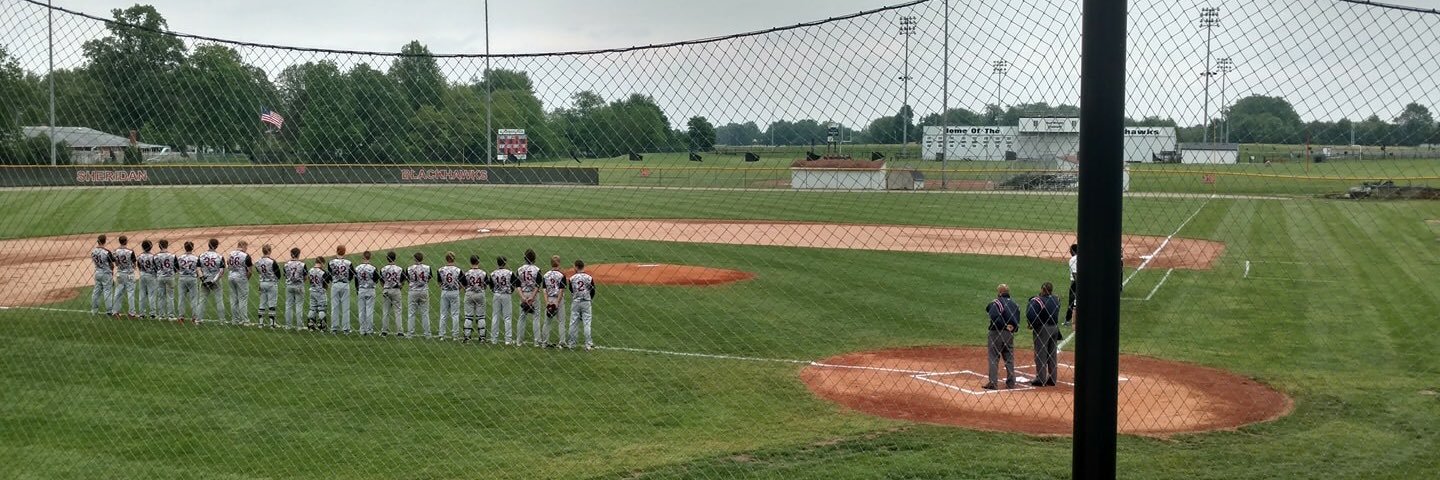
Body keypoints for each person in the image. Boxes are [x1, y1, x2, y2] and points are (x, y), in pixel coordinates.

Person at [983, 284, 1020, 390]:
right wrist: (1012, 329)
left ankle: (993, 383)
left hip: (996, 333)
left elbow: (993, 314)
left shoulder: (996, 302)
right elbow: (1017, 320)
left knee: (994, 357)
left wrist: (1003, 325)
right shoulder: (1015, 304)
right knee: (1009, 358)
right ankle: (1011, 382)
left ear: (999, 292)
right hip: (1009, 335)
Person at [1026, 282, 1063, 387]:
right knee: (1052, 354)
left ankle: (1040, 379)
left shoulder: (1037, 301)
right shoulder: (1056, 299)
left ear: (1042, 289)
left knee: (1040, 354)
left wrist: (1033, 325)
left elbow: (1031, 315)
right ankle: (1052, 379)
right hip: (1055, 328)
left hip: (1043, 329)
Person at [567, 259, 597, 351]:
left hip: (576, 302)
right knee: (587, 323)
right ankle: (588, 344)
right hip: (586, 302)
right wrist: (589, 298)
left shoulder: (572, 278)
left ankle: (571, 344)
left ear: (576, 267)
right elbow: (593, 290)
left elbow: (571, 290)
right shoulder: (589, 277)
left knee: (573, 322)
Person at [489, 256, 519, 345]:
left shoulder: (493, 273)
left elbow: (491, 286)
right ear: (505, 263)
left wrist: (495, 291)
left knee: (495, 316)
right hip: (506, 295)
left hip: (496, 295)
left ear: (497, 263)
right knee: (507, 317)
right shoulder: (509, 273)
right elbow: (514, 284)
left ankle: (494, 339)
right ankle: (508, 339)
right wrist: (510, 291)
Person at [516, 249, 543, 347]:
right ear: (534, 258)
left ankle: (519, 341)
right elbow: (537, 285)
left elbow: (517, 285)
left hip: (523, 293)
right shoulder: (537, 269)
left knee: (522, 317)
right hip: (533, 294)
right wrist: (532, 297)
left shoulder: (520, 269)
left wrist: (523, 297)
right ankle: (537, 341)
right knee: (536, 317)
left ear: (525, 258)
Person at [541, 255, 568, 348]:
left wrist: (547, 302)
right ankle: (562, 342)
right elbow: (561, 290)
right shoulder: (562, 275)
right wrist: (557, 302)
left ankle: (545, 342)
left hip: (549, 299)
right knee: (561, 321)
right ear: (559, 263)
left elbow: (544, 290)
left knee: (547, 321)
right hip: (558, 299)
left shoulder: (546, 275)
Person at [225, 240, 254, 325]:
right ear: (243, 246)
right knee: (243, 299)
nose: (246, 249)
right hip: (241, 277)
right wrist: (246, 279)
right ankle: (245, 321)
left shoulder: (231, 253)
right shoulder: (246, 255)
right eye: (246, 247)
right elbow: (250, 270)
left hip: (231, 276)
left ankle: (235, 320)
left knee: (233, 299)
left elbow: (228, 263)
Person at [436, 252, 464, 341]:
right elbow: (463, 283)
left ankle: (441, 335)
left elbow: (439, 283)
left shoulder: (441, 270)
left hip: (444, 292)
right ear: (454, 259)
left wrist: (444, 287)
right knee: (455, 314)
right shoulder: (458, 270)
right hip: (455, 292)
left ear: (446, 259)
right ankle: (455, 336)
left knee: (443, 314)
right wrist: (458, 289)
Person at [328, 245, 355, 334]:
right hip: (345, 285)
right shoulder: (348, 262)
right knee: (345, 308)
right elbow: (352, 275)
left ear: (336, 251)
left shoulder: (331, 262)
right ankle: (346, 329)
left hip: (335, 285)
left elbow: (329, 274)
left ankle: (334, 328)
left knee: (334, 307)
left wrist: (334, 281)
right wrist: (347, 281)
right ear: (344, 252)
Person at [198, 238, 226, 324]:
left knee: (202, 300)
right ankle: (222, 320)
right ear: (216, 246)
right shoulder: (220, 257)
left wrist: (203, 279)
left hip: (204, 279)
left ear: (208, 245)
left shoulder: (201, 255)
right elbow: (221, 271)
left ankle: (198, 320)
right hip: (216, 280)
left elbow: (198, 269)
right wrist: (213, 280)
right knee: (219, 300)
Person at [462, 255, 489, 343]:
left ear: (470, 262)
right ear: (478, 261)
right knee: (481, 316)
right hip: (480, 293)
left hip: (469, 294)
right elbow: (485, 285)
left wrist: (467, 290)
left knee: (468, 316)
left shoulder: (467, 273)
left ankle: (467, 337)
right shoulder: (483, 273)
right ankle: (482, 338)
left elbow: (463, 284)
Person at [406, 252, 433, 338]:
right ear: (422, 259)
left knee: (411, 313)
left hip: (413, 291)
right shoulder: (427, 268)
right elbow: (429, 278)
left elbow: (408, 279)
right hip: (424, 291)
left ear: (414, 259)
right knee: (425, 313)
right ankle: (427, 334)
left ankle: (410, 333)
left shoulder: (409, 268)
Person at [254, 244, 282, 328]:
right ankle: (272, 324)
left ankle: (260, 324)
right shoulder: (272, 261)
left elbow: (258, 271)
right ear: (270, 251)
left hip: (262, 283)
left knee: (262, 303)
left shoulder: (258, 261)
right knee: (272, 303)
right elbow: (278, 274)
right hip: (271, 283)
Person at [379, 251, 406, 336]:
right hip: (396, 290)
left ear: (387, 258)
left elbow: (381, 281)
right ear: (395, 258)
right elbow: (403, 280)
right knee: (398, 311)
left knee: (385, 311)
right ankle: (400, 332)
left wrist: (385, 287)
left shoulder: (383, 269)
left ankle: (384, 331)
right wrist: (400, 286)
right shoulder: (399, 269)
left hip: (386, 290)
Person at [110, 235, 137, 317]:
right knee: (130, 294)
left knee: (118, 293)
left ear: (119, 242)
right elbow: (134, 264)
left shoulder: (115, 251)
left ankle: (115, 312)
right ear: (126, 241)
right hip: (129, 274)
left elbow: (116, 263)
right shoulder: (130, 251)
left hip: (120, 274)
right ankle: (131, 313)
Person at [355, 251, 380, 335]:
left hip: (361, 289)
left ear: (363, 257)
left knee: (361, 310)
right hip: (370, 290)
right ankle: (369, 330)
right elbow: (376, 279)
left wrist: (357, 290)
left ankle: (362, 330)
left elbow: (356, 281)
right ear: (370, 257)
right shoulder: (373, 268)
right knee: (369, 310)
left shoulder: (357, 268)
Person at [282, 248, 308, 330]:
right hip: (299, 286)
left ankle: (288, 325)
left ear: (291, 254)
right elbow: (305, 277)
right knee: (299, 305)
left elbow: (285, 275)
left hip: (289, 286)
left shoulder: (286, 264)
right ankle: (299, 326)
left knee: (288, 305)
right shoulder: (302, 264)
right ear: (299, 254)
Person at [176, 241, 201, 323]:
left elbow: (176, 268)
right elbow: (198, 270)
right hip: (192, 278)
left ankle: (181, 317)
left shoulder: (179, 257)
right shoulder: (196, 258)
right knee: (194, 298)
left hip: (182, 278)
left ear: (184, 247)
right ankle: (194, 317)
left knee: (181, 298)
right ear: (192, 248)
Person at [89, 234, 114, 315]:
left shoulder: (93, 251)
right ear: (105, 241)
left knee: (96, 292)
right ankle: (109, 311)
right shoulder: (107, 252)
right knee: (107, 292)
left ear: (98, 241)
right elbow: (112, 263)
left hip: (97, 273)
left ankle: (94, 311)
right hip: (106, 274)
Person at [306, 256, 331, 331]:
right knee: (322, 309)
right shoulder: (323, 272)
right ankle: (322, 326)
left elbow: (309, 280)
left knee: (312, 308)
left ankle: (310, 325)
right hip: (320, 292)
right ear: (322, 263)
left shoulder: (310, 270)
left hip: (312, 291)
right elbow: (326, 283)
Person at [155, 239, 177, 321]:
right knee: (170, 297)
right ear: (167, 245)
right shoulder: (172, 256)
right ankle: (171, 316)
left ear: (159, 246)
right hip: (170, 277)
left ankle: (161, 315)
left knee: (161, 296)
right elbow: (176, 268)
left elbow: (155, 267)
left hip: (160, 276)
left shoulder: (156, 256)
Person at [136, 240, 157, 319]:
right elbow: (155, 267)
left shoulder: (140, 256)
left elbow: (138, 265)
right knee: (151, 295)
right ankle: (152, 314)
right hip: (151, 276)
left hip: (142, 275)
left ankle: (141, 314)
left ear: (142, 247)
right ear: (151, 247)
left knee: (142, 294)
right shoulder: (153, 256)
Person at [1065, 243, 1078, 327]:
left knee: (1072, 301)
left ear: (1073, 251)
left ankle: (1067, 320)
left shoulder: (1073, 259)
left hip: (1076, 283)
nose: (1069, 251)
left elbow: (1075, 274)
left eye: (1070, 250)